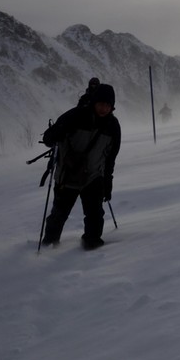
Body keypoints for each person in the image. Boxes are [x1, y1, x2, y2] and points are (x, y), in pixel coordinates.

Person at [40, 83, 121, 249]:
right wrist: (55, 135)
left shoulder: (113, 126)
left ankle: (92, 245)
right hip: (68, 174)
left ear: (112, 107)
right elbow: (49, 138)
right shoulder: (76, 115)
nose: (103, 108)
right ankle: (49, 245)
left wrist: (107, 181)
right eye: (101, 104)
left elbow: (110, 158)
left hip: (94, 176)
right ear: (94, 102)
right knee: (59, 214)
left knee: (95, 214)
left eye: (108, 105)